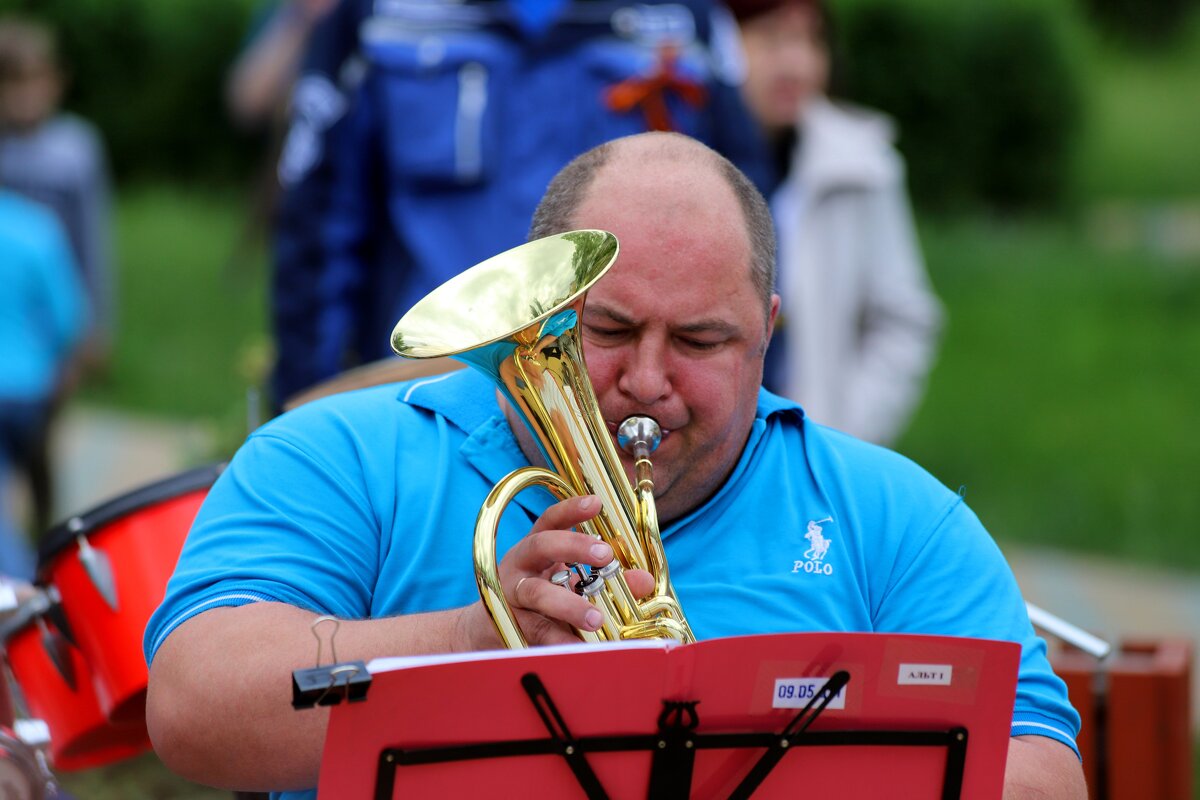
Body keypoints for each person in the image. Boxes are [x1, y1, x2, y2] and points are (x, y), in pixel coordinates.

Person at [145, 132, 1083, 799]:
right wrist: (475, 640)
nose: (645, 382)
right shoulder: (336, 457)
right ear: (533, 299)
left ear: (767, 336)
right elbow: (192, 708)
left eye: (703, 340)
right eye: (607, 329)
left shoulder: (895, 518)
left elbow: (1039, 770)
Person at [267, 0, 773, 412]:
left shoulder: (688, 18)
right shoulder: (376, 16)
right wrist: (306, 407)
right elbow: (317, 235)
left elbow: (747, 228)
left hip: (629, 403)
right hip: (421, 401)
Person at [728, 0, 942, 447]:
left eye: (811, 40)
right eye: (770, 37)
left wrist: (841, 439)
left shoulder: (863, 165)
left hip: (813, 454)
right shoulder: (674, 157)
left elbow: (903, 319)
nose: (796, 63)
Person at [0, 16, 114, 377]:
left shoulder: (76, 150)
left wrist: (97, 323)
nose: (25, 93)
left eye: (36, 79)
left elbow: (93, 239)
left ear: (57, 81)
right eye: (13, 81)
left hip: (59, 306)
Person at [0, 189, 88, 577]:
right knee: (39, 476)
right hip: (31, 388)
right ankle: (48, 565)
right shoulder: (38, 229)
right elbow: (69, 319)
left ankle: (19, 585)